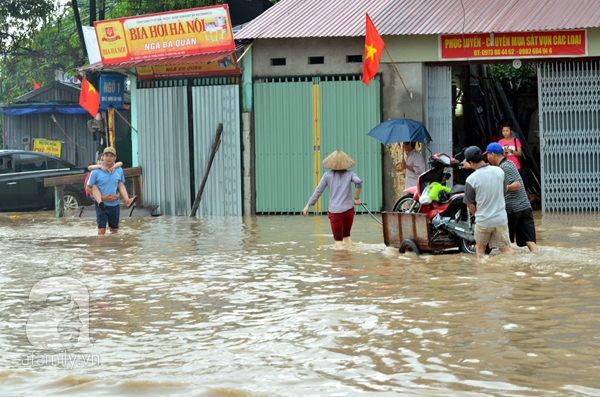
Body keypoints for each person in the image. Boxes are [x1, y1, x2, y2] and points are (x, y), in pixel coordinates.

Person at [462, 145, 515, 259]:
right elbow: (503, 191)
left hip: (484, 221)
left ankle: (481, 274)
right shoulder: (499, 171)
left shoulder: (471, 179)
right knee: (505, 249)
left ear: (470, 162)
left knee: (480, 249)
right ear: (482, 156)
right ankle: (512, 270)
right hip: (500, 219)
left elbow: (469, 204)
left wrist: (477, 215)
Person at [303, 149, 363, 249]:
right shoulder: (350, 174)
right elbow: (359, 182)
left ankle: (339, 263)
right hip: (349, 210)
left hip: (335, 212)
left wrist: (308, 205)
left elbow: (318, 191)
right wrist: (357, 198)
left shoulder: (327, 175)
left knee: (338, 244)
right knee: (347, 237)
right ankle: (350, 263)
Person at [484, 143, 538, 252]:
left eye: (487, 154)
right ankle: (536, 260)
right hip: (525, 207)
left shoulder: (504, 167)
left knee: (501, 240)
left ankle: (503, 265)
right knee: (529, 240)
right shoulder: (509, 163)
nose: (487, 157)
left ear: (493, 154)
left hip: (513, 209)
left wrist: (502, 188)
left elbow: (517, 184)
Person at [87, 147, 133, 235]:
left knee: (114, 231)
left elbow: (121, 185)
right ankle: (101, 247)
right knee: (101, 230)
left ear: (115, 158)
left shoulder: (119, 170)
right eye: (106, 156)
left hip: (115, 204)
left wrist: (118, 195)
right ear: (103, 157)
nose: (108, 158)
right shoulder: (96, 171)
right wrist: (102, 198)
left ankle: (114, 247)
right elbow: (88, 188)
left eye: (111, 156)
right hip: (101, 205)